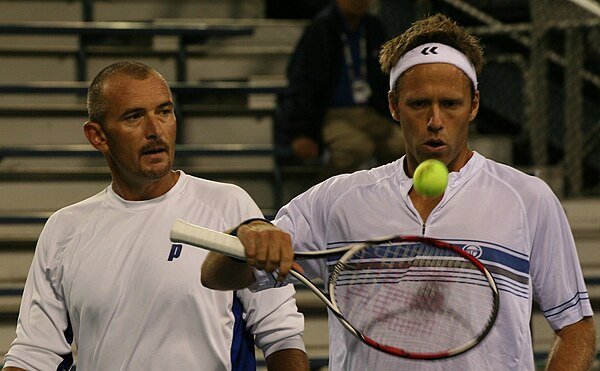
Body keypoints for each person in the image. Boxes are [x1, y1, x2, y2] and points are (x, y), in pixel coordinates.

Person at [201, 14, 597, 371]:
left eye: (451, 104)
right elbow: (215, 276)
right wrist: (248, 234)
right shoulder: (337, 199)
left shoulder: (529, 198)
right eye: (419, 104)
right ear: (393, 106)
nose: (435, 121)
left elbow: (576, 326)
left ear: (474, 104)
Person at [2, 61, 309, 371]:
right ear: (98, 136)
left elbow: (281, 334)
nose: (155, 130)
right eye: (134, 117)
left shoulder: (228, 205)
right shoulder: (64, 229)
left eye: (164, 112)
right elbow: (33, 354)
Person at [275, 0, 404, 177]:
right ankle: (324, 198)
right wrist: (301, 132)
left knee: (404, 144)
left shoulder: (373, 27)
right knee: (357, 147)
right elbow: (303, 81)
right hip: (332, 114)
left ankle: (390, 199)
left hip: (370, 112)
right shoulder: (321, 28)